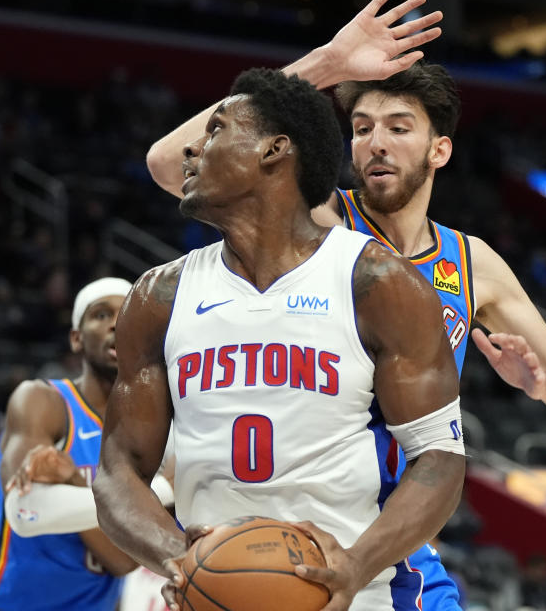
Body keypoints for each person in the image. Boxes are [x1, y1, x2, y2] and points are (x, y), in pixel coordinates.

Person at [145, 0, 546, 610]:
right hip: (283, 529)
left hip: (392, 548)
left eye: (399, 127)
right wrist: (328, 65)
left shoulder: (471, 264)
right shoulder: (313, 222)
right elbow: (168, 162)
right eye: (362, 128)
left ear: (439, 150)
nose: (375, 143)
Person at [92, 68, 466, 611]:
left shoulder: (377, 283)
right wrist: (180, 560)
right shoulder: (158, 296)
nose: (192, 149)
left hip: (349, 596)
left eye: (216, 130)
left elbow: (439, 456)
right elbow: (117, 470)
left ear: (275, 149)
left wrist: (358, 564)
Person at [0, 277, 163, 611]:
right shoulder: (43, 401)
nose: (115, 323)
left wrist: (72, 482)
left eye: (126, 313)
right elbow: (25, 509)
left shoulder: (154, 430)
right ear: (76, 338)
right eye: (101, 315)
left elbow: (127, 561)